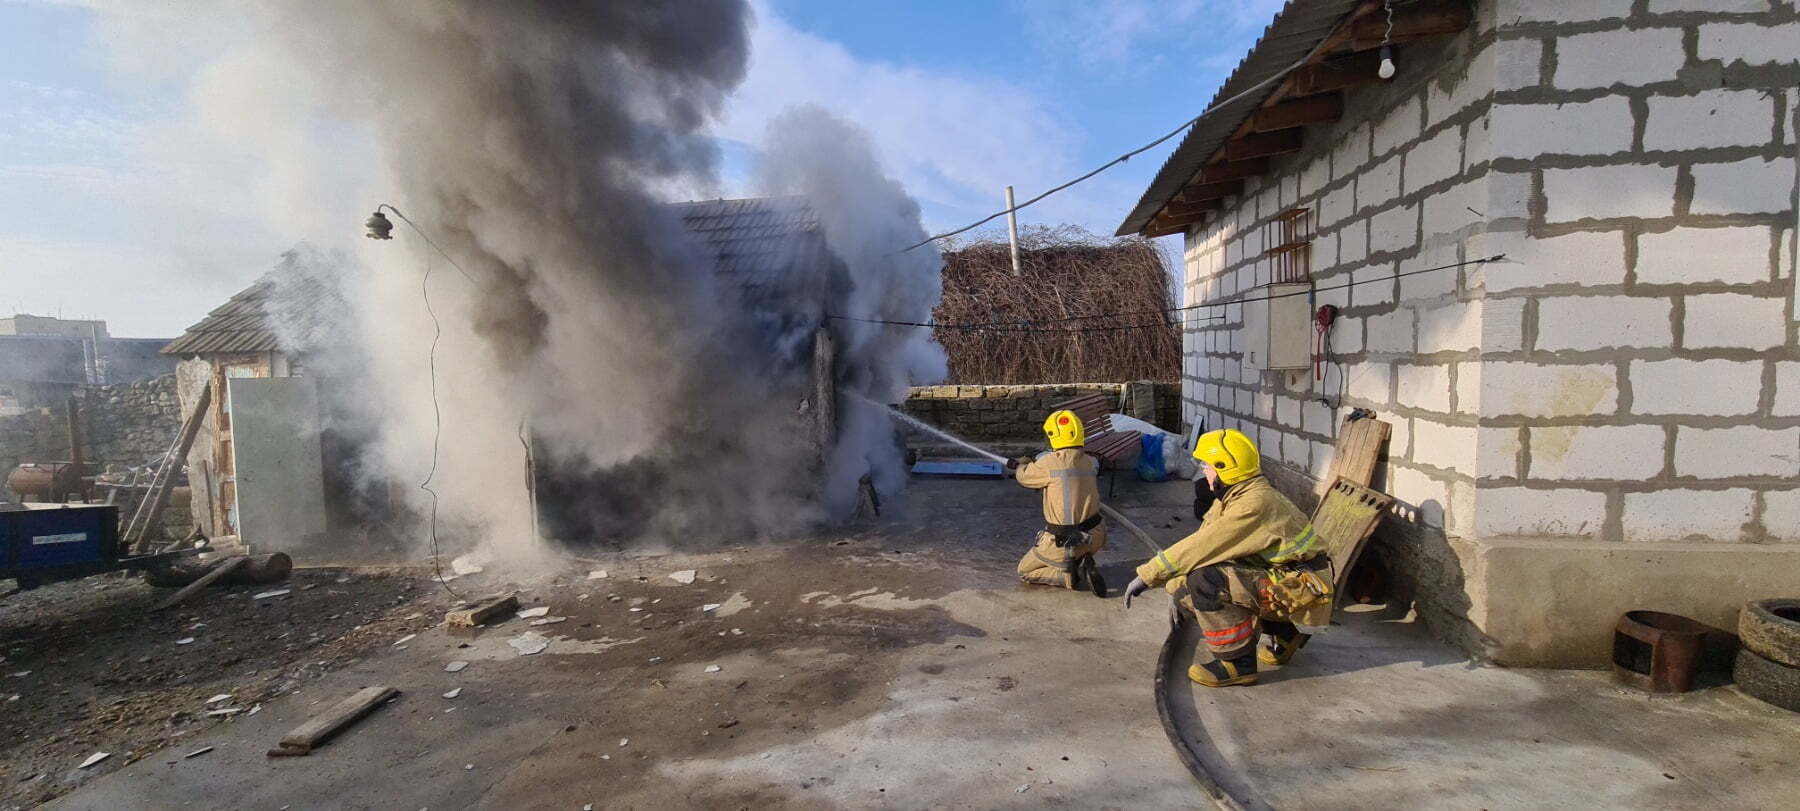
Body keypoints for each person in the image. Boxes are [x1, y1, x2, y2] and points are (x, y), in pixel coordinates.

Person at [1122, 429, 1330, 687]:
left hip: (1301, 589)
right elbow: (1205, 544)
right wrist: (1174, 587)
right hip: (1290, 577)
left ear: (1225, 468)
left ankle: (1237, 664)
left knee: (1206, 581)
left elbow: (1201, 547)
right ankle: (1287, 634)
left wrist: (1147, 576)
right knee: (1192, 587)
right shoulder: (1238, 494)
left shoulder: (1252, 505)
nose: (1203, 470)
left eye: (1207, 465)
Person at [1007, 409, 1108, 597]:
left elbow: (1023, 476)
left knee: (1024, 571)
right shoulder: (1089, 461)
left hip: (1066, 542)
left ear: (1054, 436)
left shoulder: (1048, 463)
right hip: (1095, 536)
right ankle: (1081, 559)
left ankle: (1072, 575)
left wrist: (1019, 464)